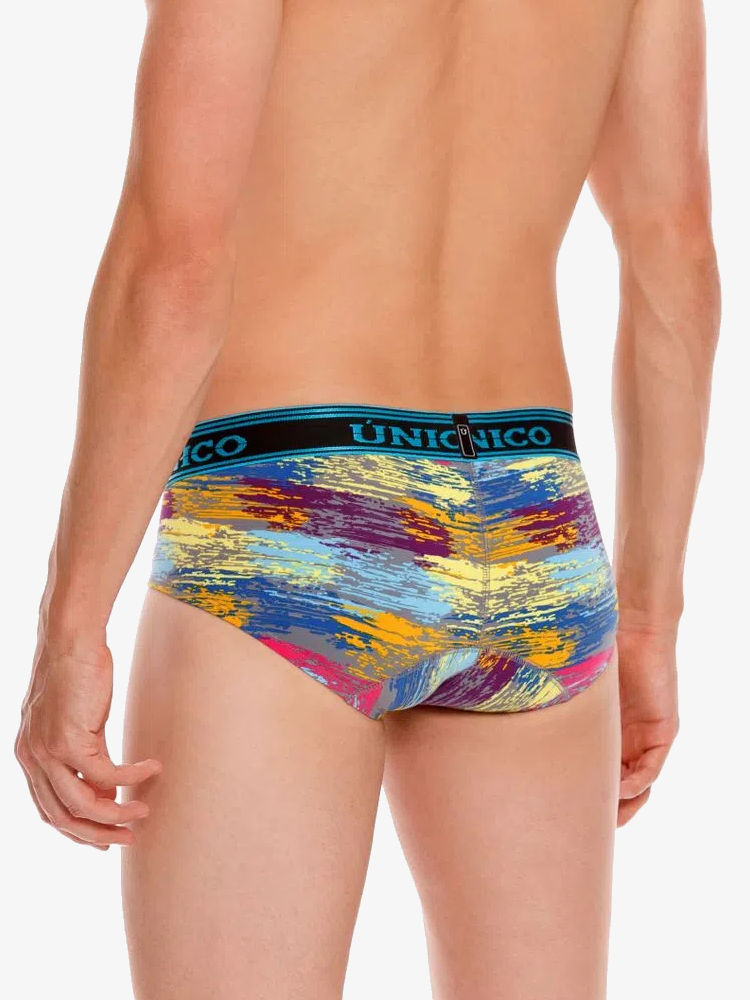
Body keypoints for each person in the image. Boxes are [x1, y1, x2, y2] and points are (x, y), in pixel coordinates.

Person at [15, 0, 720, 996]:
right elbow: (676, 258)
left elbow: (173, 268)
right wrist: (650, 618)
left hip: (290, 509)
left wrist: (70, 624)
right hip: (533, 524)